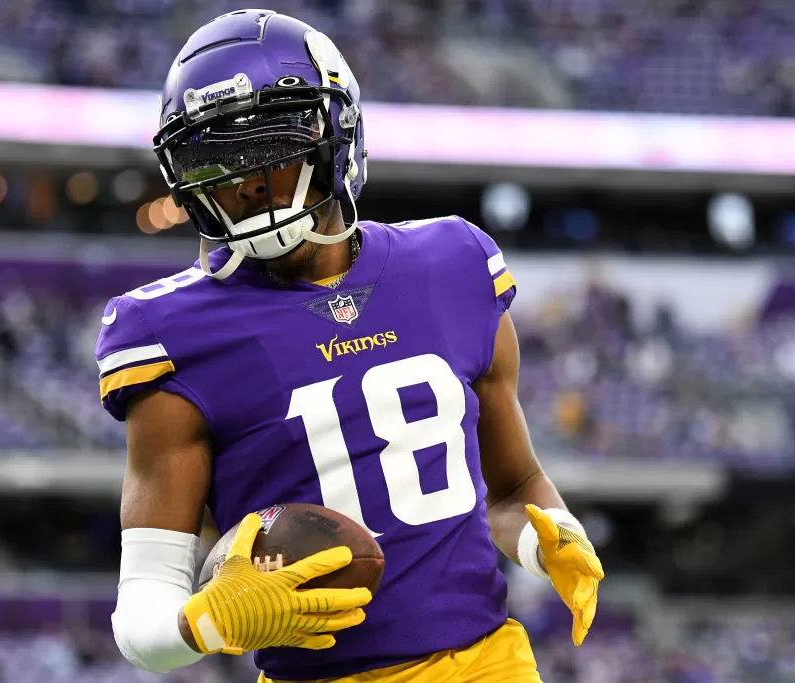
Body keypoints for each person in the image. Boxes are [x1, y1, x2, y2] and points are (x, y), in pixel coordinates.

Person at [100, 9, 604, 682]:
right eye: (217, 164)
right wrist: (206, 621)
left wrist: (552, 542)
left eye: (269, 153)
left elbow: (511, 488)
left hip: (490, 665)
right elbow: (141, 612)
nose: (245, 186)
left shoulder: (453, 262)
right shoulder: (169, 332)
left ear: (333, 136)